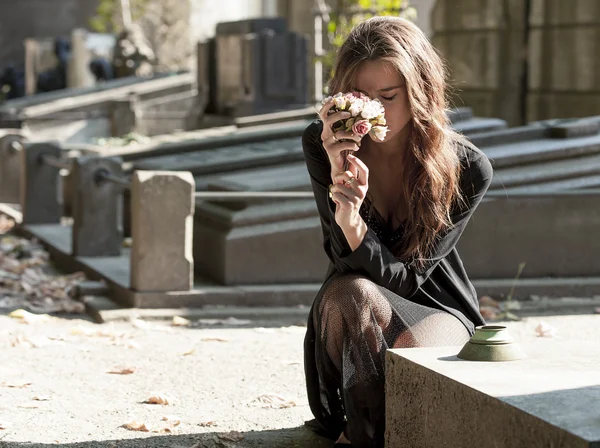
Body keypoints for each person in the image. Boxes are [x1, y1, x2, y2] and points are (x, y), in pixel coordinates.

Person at [302, 16, 492, 448]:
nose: (374, 111)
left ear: (420, 91)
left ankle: (363, 434)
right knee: (354, 293)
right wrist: (347, 210)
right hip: (352, 310)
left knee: (397, 341)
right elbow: (343, 260)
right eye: (361, 97)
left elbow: (408, 279)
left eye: (388, 96)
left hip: (432, 306)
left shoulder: (467, 167)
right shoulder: (322, 141)